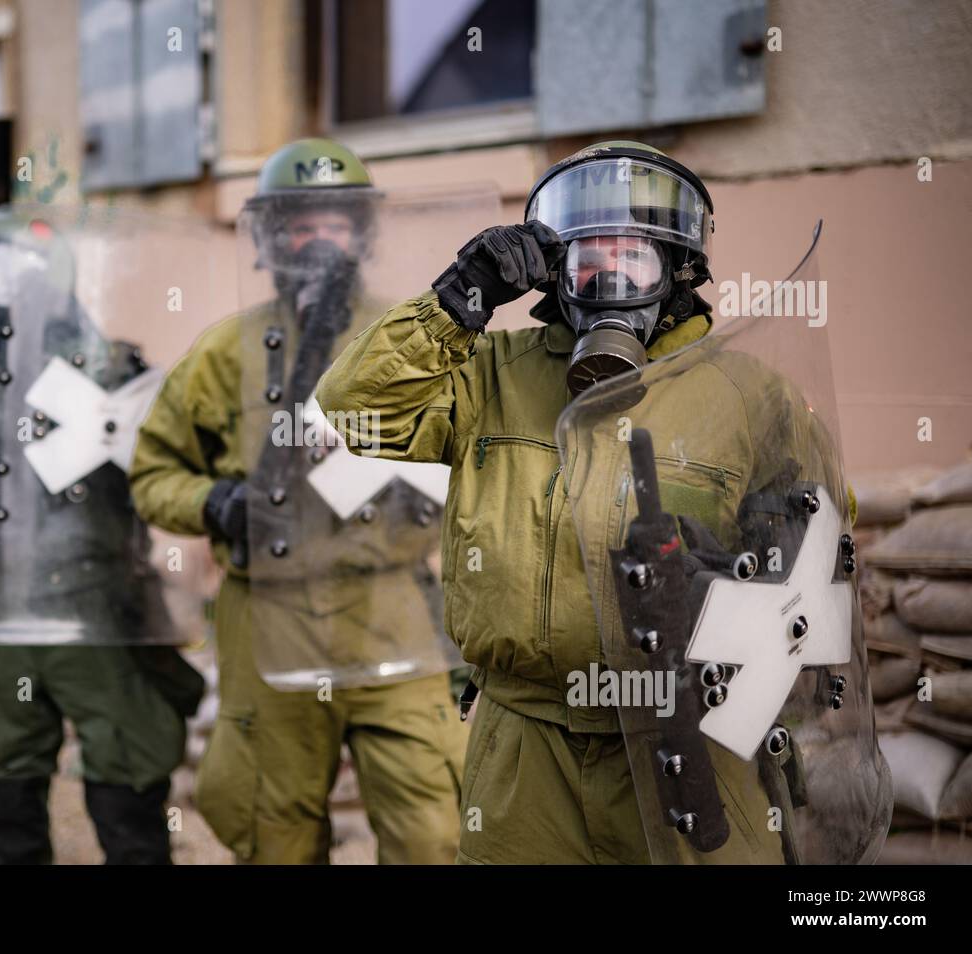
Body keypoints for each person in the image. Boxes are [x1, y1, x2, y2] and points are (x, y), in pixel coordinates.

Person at [317, 140, 892, 864]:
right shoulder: (490, 373)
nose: (611, 275)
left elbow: (821, 549)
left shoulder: (750, 393)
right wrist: (457, 300)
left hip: (691, 735)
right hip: (525, 747)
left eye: (633, 255)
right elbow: (352, 409)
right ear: (556, 275)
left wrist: (732, 585)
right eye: (588, 257)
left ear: (678, 269)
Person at [129, 138, 468, 865]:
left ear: (362, 233)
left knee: (435, 827)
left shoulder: (413, 341)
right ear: (271, 237)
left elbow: (474, 456)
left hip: (391, 607)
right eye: (300, 223)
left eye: (334, 222)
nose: (318, 239)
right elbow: (153, 472)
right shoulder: (224, 352)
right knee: (270, 828)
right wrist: (216, 503)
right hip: (267, 612)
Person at [0, 207, 204, 865]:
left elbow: (167, 475)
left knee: (128, 794)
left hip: (97, 612)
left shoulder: (112, 373)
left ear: (46, 281)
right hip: (1, 615)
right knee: (1, 796)